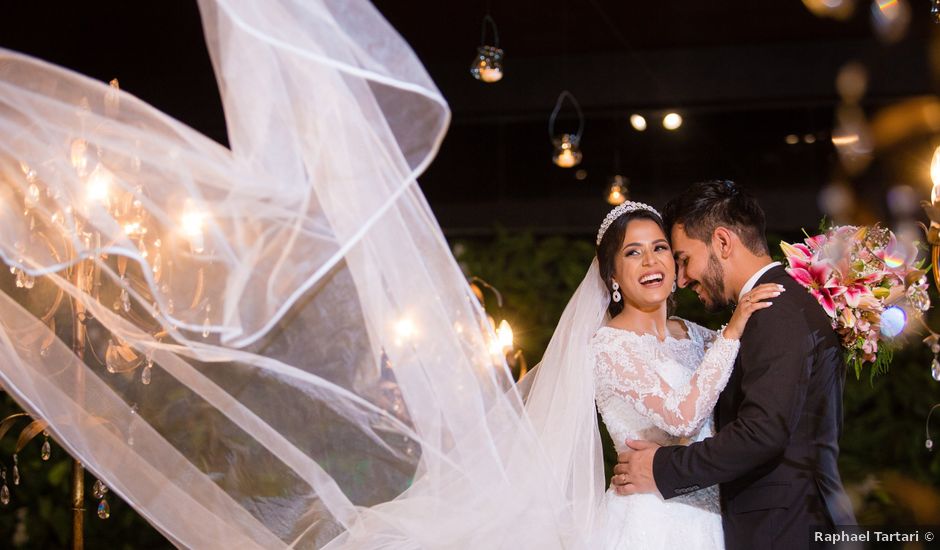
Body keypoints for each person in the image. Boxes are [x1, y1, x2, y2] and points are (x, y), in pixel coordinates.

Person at [612, 180, 857, 550]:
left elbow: (762, 433)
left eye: (683, 259)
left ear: (723, 243)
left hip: (787, 528)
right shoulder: (771, 306)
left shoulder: (776, 311)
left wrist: (662, 468)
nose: (681, 278)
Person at [589, 199, 781, 549]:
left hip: (713, 515)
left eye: (660, 247)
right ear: (612, 275)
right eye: (633, 252)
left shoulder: (697, 335)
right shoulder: (609, 346)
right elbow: (681, 418)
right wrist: (731, 331)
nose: (650, 261)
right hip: (649, 518)